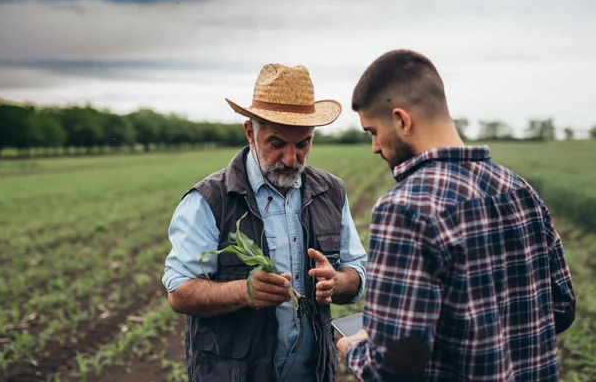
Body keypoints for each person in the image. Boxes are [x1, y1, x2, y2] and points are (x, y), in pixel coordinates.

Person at [336, 49, 576, 381]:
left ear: (402, 120)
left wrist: (353, 348)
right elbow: (562, 309)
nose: (375, 147)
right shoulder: (521, 190)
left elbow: (392, 369)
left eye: (373, 132)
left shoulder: (405, 208)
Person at [162, 63, 368, 382]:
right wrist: (243, 292)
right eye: (276, 143)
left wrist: (337, 282)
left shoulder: (331, 192)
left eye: (303, 144)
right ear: (250, 132)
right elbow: (180, 291)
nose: (290, 158)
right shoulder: (210, 200)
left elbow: (356, 269)